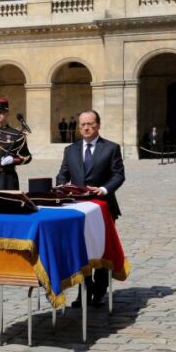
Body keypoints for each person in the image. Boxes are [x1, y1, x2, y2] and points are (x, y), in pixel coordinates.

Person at [56, 109, 125, 308]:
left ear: (98, 125)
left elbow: (118, 175)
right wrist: (61, 187)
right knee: (83, 250)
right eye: (83, 124)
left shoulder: (111, 148)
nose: (86, 127)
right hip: (79, 208)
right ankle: (84, 291)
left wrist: (104, 189)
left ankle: (100, 290)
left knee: (102, 248)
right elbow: (62, 174)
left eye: (90, 124)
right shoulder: (70, 150)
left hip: (103, 206)